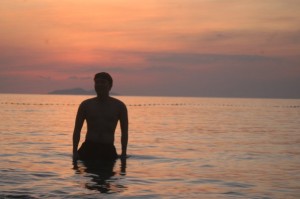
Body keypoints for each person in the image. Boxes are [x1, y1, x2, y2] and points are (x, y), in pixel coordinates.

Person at [72, 72, 128, 162]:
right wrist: (74, 151)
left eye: (102, 82)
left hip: (108, 148)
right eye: (97, 82)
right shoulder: (86, 105)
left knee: (107, 174)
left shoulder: (119, 106)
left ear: (110, 86)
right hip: (88, 147)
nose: (99, 85)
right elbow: (77, 130)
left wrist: (124, 153)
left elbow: (124, 133)